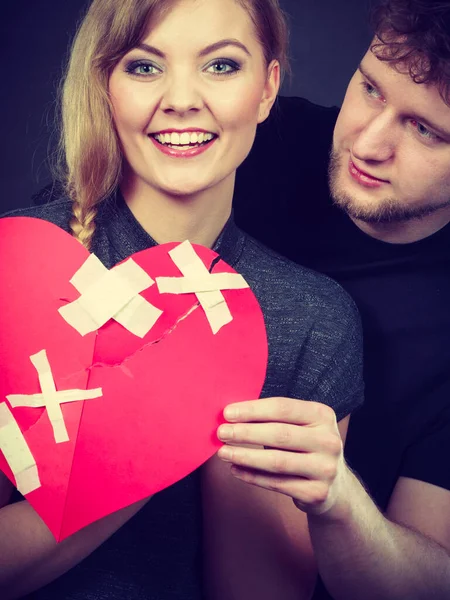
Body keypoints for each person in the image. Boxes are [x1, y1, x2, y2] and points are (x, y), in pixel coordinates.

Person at [0, 1, 364, 599]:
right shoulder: (21, 266)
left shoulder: (310, 318)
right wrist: (145, 442)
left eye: (221, 66)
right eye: (145, 67)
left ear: (267, 88)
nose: (182, 98)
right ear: (105, 86)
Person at [230, 0, 450, 598]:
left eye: (425, 129)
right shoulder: (255, 138)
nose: (369, 144)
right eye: (371, 89)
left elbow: (429, 584)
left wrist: (339, 500)